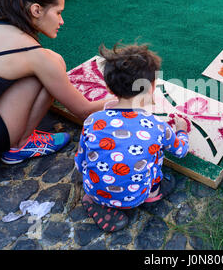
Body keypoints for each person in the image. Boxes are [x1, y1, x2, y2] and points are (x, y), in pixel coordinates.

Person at [0, 0, 112, 166]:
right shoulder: (29, 51)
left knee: (43, 64)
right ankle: (20, 146)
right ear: (36, 10)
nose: (61, 21)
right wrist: (134, 99)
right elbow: (84, 111)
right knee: (51, 64)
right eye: (58, 13)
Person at [75, 43, 190, 232]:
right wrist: (181, 130)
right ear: (151, 87)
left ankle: (96, 202)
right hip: (138, 195)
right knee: (155, 159)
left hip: (95, 189)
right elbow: (180, 151)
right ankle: (153, 194)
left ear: (110, 89)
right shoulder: (156, 126)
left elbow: (81, 161)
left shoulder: (92, 120)